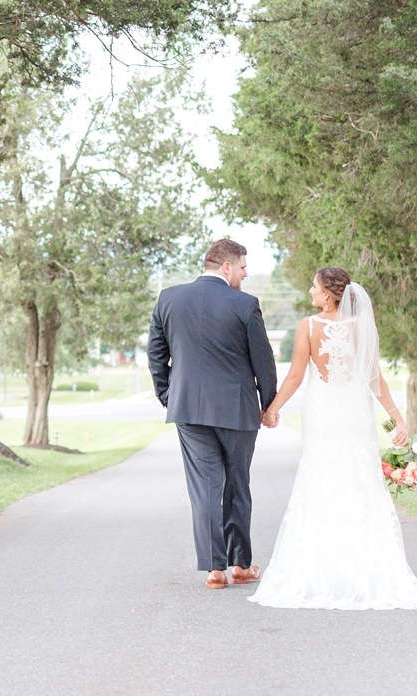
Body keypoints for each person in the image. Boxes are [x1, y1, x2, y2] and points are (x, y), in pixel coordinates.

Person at [249, 266, 417, 610]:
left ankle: (321, 571)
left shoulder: (308, 326)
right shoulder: (361, 329)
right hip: (354, 411)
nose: (310, 290)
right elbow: (373, 377)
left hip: (321, 411)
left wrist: (272, 408)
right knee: (358, 481)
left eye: (315, 286)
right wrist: (397, 418)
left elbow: (295, 376)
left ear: (329, 294)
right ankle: (365, 568)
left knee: (320, 479)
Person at [148, 238, 279, 590]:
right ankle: (240, 565)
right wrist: (268, 405)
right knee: (237, 485)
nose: (245, 273)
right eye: (243, 267)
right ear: (226, 267)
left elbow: (155, 354)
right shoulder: (245, 304)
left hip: (188, 408)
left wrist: (169, 395)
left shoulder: (169, 298)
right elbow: (262, 362)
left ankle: (214, 570)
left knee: (205, 487)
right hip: (236, 409)